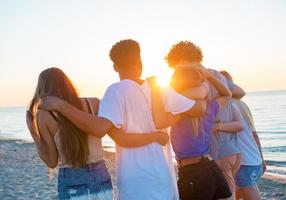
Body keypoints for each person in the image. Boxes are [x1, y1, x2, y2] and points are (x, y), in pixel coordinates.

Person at [39, 39, 205, 200]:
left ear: (115, 66)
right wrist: (169, 119)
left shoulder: (115, 91)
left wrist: (60, 105)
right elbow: (200, 108)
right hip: (161, 174)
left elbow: (107, 132)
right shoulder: (159, 88)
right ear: (140, 61)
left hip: (135, 179)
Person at [26, 67, 169, 200]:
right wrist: (154, 136)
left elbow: (51, 161)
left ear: (42, 89)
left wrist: (34, 132)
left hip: (71, 179)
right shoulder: (93, 103)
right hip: (101, 176)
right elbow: (120, 138)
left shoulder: (44, 116)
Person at [165, 41, 245, 199]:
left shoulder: (177, 104)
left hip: (202, 164)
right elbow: (230, 94)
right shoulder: (209, 104)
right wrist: (206, 86)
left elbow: (164, 114)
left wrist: (201, 92)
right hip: (214, 161)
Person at [149, 65, 233, 199]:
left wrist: (155, 88)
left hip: (192, 173)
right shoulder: (209, 107)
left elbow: (160, 122)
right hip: (211, 167)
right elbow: (228, 94)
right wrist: (209, 77)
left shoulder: (177, 112)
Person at [220, 71, 265, 200]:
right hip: (254, 160)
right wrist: (262, 159)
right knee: (238, 193)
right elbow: (254, 135)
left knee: (248, 193)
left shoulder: (226, 106)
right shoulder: (243, 105)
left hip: (244, 162)